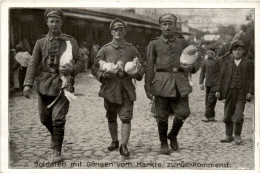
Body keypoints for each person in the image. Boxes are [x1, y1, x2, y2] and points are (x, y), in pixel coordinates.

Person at [23, 8, 85, 162]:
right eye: (52, 21)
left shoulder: (70, 41)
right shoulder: (40, 42)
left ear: (61, 22)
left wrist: (72, 69)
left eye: (57, 21)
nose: (55, 24)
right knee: (45, 119)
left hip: (63, 84)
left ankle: (56, 150)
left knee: (58, 119)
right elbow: (32, 64)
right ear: (47, 22)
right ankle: (56, 137)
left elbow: (80, 62)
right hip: (44, 84)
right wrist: (28, 84)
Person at [145, 14, 201, 155]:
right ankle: (164, 143)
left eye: (170, 24)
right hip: (160, 83)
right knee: (161, 116)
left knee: (183, 112)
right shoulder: (154, 44)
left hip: (179, 83)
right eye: (164, 24)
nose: (167, 27)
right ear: (160, 26)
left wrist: (191, 68)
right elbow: (149, 66)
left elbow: (196, 59)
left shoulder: (183, 42)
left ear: (175, 25)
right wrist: (148, 87)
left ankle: (173, 135)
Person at [92, 18, 145, 156]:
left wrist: (137, 73)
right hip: (109, 89)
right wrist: (102, 76)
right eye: (115, 29)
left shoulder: (131, 49)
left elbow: (141, 64)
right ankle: (114, 141)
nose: (118, 31)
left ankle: (124, 145)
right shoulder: (105, 49)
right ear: (111, 32)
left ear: (125, 31)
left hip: (126, 88)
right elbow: (95, 67)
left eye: (121, 29)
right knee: (111, 116)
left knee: (126, 117)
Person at [216, 40, 253, 145]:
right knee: (227, 115)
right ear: (231, 51)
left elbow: (252, 79)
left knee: (238, 115)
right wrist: (218, 90)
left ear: (243, 51)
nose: (237, 52)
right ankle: (228, 135)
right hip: (229, 92)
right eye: (235, 49)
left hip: (241, 93)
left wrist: (250, 92)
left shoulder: (248, 63)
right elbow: (221, 77)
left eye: (240, 49)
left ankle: (237, 135)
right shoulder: (227, 63)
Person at [199, 49, 222, 122]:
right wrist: (201, 83)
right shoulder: (205, 62)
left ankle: (207, 116)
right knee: (208, 100)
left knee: (211, 100)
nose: (210, 54)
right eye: (209, 52)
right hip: (208, 84)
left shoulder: (219, 60)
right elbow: (202, 72)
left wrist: (220, 85)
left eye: (211, 52)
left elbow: (222, 72)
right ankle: (211, 116)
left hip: (216, 84)